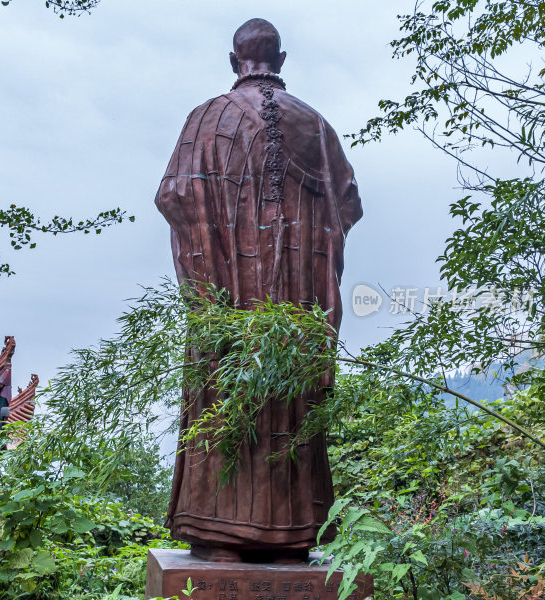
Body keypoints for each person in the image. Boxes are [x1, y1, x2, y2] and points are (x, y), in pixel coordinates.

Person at [155, 18, 363, 562]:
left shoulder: (205, 120)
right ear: (282, 58)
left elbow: (174, 198)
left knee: (224, 396)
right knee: (289, 403)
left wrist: (216, 274)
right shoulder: (315, 126)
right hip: (294, 315)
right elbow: (348, 206)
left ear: (234, 61)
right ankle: (294, 537)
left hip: (226, 307)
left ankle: (219, 534)